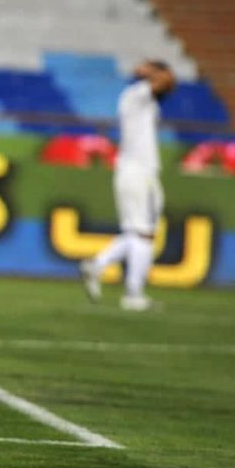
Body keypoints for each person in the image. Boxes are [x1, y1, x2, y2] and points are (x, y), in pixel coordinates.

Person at [79, 60, 176, 311]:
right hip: (138, 172)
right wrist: (152, 71)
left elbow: (167, 83)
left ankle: (97, 265)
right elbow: (167, 80)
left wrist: (153, 71)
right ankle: (133, 294)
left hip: (134, 171)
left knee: (137, 233)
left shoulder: (144, 99)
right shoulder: (137, 94)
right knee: (144, 233)